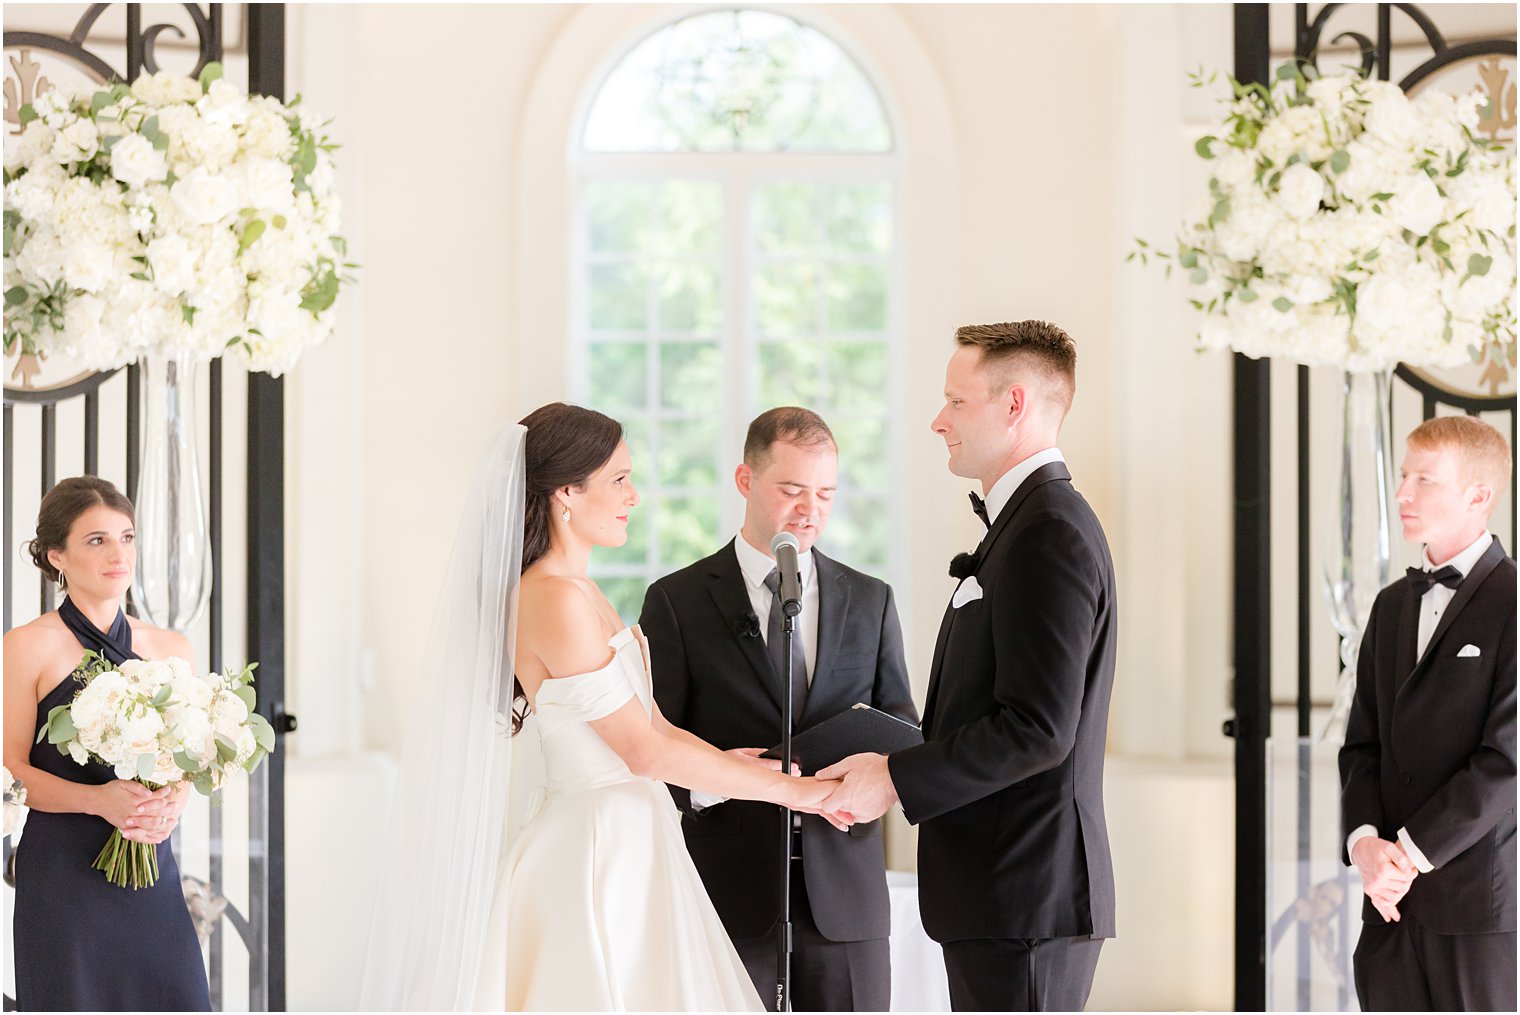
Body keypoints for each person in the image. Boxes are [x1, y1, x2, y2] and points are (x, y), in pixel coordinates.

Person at [362, 403, 840, 1012]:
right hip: (595, 848)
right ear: (566, 491)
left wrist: (750, 769)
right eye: (618, 479)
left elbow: (656, 725)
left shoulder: (583, 591)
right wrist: (799, 795)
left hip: (634, 834)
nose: (633, 496)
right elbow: (642, 751)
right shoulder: (552, 599)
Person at [819, 320, 1118, 1011]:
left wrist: (894, 775)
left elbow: (1039, 728)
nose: (937, 421)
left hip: (1025, 898)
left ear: (1014, 404)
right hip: (1006, 896)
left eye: (956, 402)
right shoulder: (1026, 525)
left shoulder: (1048, 532)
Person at [640, 406, 917, 1011]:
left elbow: (904, 726)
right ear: (745, 481)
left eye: (824, 493)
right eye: (791, 489)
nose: (809, 509)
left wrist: (878, 778)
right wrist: (718, 782)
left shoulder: (872, 600)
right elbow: (647, 748)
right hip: (726, 895)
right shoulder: (677, 602)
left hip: (845, 897)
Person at [3, 476, 210, 1012]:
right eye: (97, 540)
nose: (118, 553)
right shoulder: (26, 646)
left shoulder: (172, 648)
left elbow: (184, 758)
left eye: (127, 536)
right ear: (57, 556)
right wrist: (98, 800)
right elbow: (11, 768)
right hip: (63, 881)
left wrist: (173, 801)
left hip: (151, 872)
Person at [1339, 415, 1516, 1011]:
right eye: (1402, 475)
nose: (1402, 493)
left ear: (1479, 496)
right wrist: (1365, 844)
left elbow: (1506, 762)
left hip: (1476, 911)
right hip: (1387, 908)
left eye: (1425, 479)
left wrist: (1407, 857)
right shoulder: (1391, 606)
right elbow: (1361, 744)